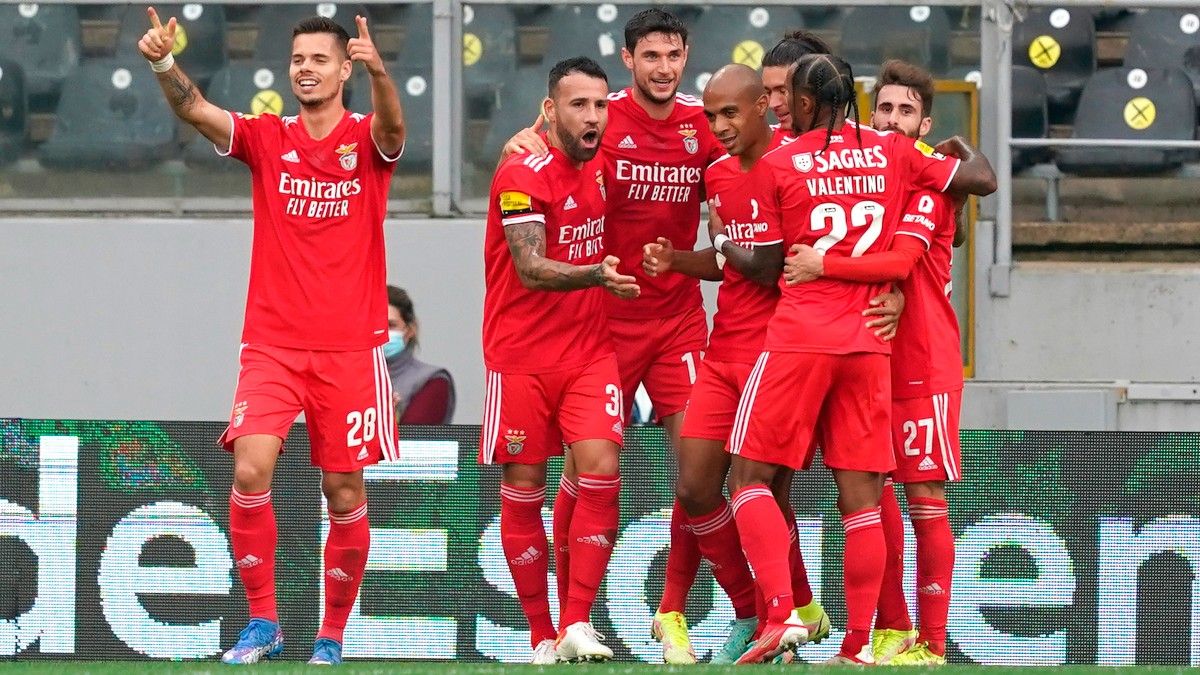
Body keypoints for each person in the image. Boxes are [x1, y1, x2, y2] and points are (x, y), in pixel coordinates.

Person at [138, 6, 405, 665]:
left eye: (319, 59)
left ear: (344, 67)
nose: (305, 69)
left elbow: (396, 128)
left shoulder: (367, 139)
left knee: (343, 491)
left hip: (350, 349)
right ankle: (264, 622)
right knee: (250, 467)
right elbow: (197, 110)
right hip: (273, 345)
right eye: (297, 60)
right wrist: (162, 62)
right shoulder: (267, 138)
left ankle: (332, 634)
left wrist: (382, 76)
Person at [726, 53, 996, 664]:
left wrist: (724, 241)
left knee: (746, 479)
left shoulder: (778, 162)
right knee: (866, 501)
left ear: (800, 103)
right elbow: (974, 179)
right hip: (871, 348)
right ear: (859, 101)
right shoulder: (896, 156)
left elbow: (768, 264)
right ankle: (859, 645)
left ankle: (781, 614)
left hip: (804, 338)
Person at [505, 10, 724, 663]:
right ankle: (572, 620)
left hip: (679, 319)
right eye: (651, 55)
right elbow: (540, 154)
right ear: (629, 59)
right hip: (601, 321)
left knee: (699, 478)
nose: (663, 67)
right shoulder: (600, 117)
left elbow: (753, 170)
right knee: (588, 469)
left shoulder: (700, 125)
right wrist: (521, 142)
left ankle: (672, 612)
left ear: (686, 57)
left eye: (674, 55)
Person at [784, 60, 968, 667]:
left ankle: (933, 643)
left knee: (924, 501)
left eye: (906, 111)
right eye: (884, 108)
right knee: (870, 499)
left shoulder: (927, 187)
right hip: (871, 358)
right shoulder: (876, 177)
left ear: (924, 122)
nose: (892, 120)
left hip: (921, 361)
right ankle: (893, 628)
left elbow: (903, 263)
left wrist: (826, 268)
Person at [481, 56, 639, 665]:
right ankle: (539, 634)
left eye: (600, 104)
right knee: (525, 487)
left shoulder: (599, 162)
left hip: (589, 352)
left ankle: (577, 621)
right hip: (519, 356)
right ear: (550, 111)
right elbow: (531, 267)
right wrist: (597, 274)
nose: (593, 116)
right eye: (579, 105)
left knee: (600, 467)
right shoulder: (520, 172)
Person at [384, 285, 456, 425]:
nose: (382, 333)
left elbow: (414, 439)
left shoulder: (433, 380)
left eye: (391, 325)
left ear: (410, 330)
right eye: (375, 325)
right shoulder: (348, 378)